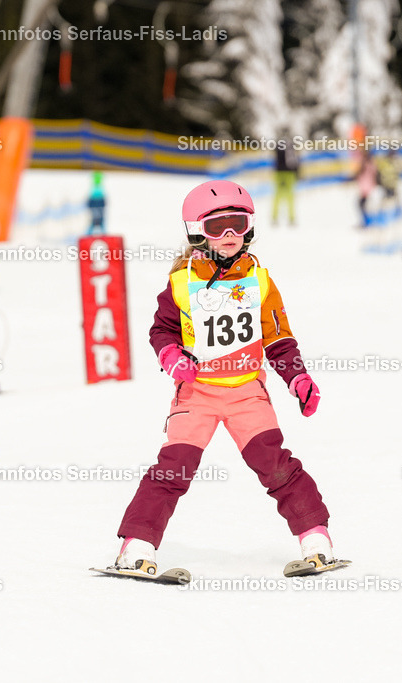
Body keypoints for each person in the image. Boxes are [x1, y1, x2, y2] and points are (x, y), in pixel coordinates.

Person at [112, 180, 333, 574]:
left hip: (247, 392)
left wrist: (297, 378)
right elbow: (162, 330)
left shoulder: (260, 281)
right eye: (218, 226)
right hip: (197, 392)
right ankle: (137, 546)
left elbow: (278, 338)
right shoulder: (182, 282)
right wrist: (172, 355)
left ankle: (316, 538)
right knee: (173, 468)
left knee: (276, 466)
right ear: (198, 231)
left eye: (238, 224)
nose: (230, 234)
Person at [272, 138, 299, 226]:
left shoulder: (280, 145)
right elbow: (295, 160)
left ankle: (276, 217)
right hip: (286, 174)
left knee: (279, 197)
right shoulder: (290, 145)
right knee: (288, 197)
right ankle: (289, 218)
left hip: (281, 173)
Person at [87, 171, 106, 235]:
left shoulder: (98, 189)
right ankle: (89, 234)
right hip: (95, 200)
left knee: (99, 220)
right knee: (95, 220)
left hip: (98, 200)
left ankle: (103, 233)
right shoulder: (95, 189)